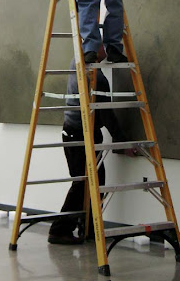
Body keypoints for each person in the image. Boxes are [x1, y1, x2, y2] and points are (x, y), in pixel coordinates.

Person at [48, 48, 131, 245]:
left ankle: (89, 227)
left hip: (76, 132)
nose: (108, 49)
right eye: (103, 45)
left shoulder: (76, 60)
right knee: (84, 183)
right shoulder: (96, 79)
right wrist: (123, 143)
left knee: (93, 181)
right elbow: (106, 116)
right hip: (79, 134)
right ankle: (60, 229)